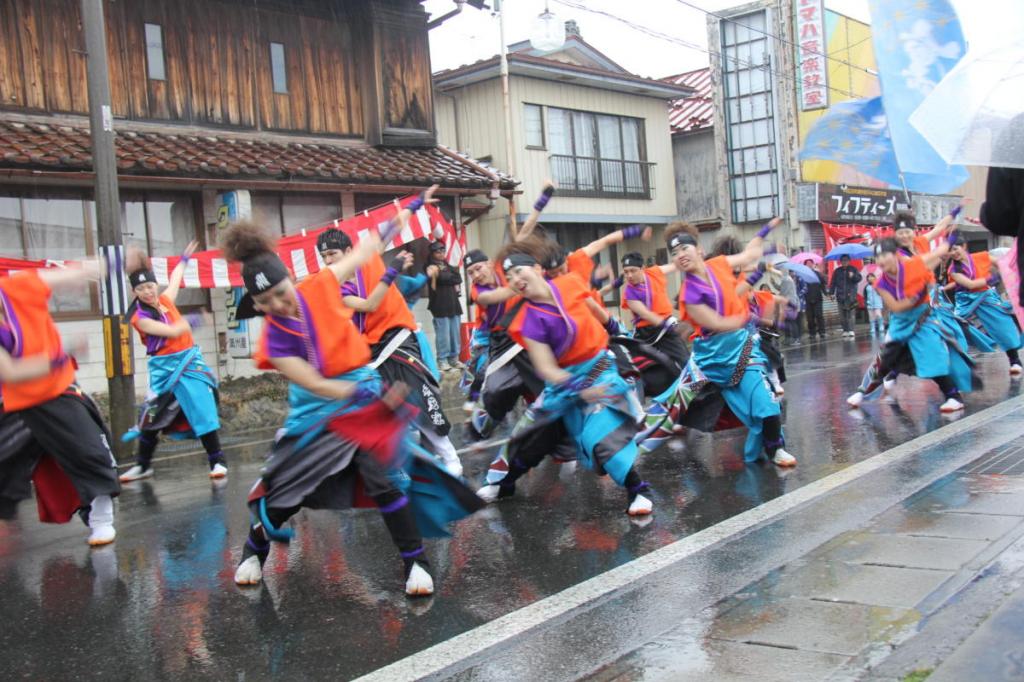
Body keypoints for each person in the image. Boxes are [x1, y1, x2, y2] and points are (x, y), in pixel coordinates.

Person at [221, 219, 480, 595]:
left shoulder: (321, 285)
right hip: (317, 410)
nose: (276, 305)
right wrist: (348, 394)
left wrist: (395, 224)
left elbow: (360, 253)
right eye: (264, 302)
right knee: (286, 488)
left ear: (289, 280)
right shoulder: (273, 337)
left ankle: (416, 563)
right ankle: (253, 551)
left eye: (280, 292)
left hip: (361, 393)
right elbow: (311, 382)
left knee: (384, 477)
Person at [476, 237, 652, 516]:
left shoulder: (570, 283)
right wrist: (576, 388)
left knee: (602, 436)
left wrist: (614, 327)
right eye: (509, 277)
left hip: (599, 374)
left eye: (520, 271)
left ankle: (638, 491)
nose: (516, 279)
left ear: (537, 268)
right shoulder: (529, 318)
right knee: (530, 440)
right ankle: (503, 484)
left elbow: (591, 304)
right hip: (563, 385)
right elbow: (546, 368)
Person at [316, 189, 462, 478]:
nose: (329, 261)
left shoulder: (366, 258)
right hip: (369, 355)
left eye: (332, 253)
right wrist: (391, 272)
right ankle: (395, 466)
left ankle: (450, 456)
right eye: (323, 256)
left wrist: (416, 204)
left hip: (398, 340)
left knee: (418, 400)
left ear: (348, 251)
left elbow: (389, 229)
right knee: (378, 413)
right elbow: (368, 304)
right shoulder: (336, 287)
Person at [0, 260, 120, 545]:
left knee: (87, 450)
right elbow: (13, 372)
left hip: (58, 391)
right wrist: (62, 352)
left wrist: (100, 266)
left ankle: (101, 519)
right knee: (9, 467)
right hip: (20, 404)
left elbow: (62, 277)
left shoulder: (18, 287)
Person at [668, 219, 797, 467]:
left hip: (742, 347)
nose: (680, 255)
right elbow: (716, 322)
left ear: (700, 251)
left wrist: (765, 231)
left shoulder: (720, 266)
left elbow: (749, 256)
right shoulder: (689, 291)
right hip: (710, 357)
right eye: (674, 253)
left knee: (767, 403)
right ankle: (638, 448)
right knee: (672, 402)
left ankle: (775, 449)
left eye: (684, 248)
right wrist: (756, 319)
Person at [120, 241, 227, 482]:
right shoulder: (139, 318)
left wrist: (184, 259)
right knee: (151, 418)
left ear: (155, 285)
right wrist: (197, 319)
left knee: (202, 409)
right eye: (142, 289)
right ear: (134, 292)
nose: (148, 292)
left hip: (189, 364)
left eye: (150, 286)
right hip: (164, 371)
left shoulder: (166, 300)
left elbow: (176, 278)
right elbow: (171, 331)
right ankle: (143, 465)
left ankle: (218, 461)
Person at [847, 237, 973, 412]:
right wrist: (914, 296)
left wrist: (950, 238)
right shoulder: (881, 283)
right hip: (900, 322)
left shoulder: (913, 265)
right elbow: (896, 307)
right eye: (877, 257)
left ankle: (953, 397)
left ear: (895, 255)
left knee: (932, 358)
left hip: (924, 318)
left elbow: (936, 256)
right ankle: (863, 392)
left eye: (884, 255)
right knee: (885, 358)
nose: (881, 260)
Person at [947, 237, 1023, 375]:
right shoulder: (953, 269)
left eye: (955, 248)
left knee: (1002, 325)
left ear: (963, 246)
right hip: (965, 301)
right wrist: (991, 278)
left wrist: (1010, 273)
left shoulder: (982, 256)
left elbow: (1002, 264)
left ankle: (1015, 361)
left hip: (985, 296)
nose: (953, 253)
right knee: (954, 327)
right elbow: (970, 284)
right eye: (950, 251)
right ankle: (956, 363)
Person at [427, 240, 463, 371]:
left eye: (443, 251)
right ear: (432, 253)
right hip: (439, 305)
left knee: (455, 334)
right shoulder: (429, 265)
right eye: (438, 251)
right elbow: (442, 278)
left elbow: (458, 278)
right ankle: (442, 360)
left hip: (454, 304)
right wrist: (448, 276)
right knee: (443, 335)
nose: (441, 253)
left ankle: (454, 359)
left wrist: (447, 276)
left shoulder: (447, 265)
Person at [829, 255, 861, 337]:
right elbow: (833, 283)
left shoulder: (853, 269)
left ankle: (851, 330)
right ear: (840, 262)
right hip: (840, 296)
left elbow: (859, 278)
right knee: (842, 315)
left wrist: (853, 276)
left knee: (850, 314)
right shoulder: (837, 271)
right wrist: (831, 293)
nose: (844, 262)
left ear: (849, 261)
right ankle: (845, 330)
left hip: (851, 296)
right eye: (843, 261)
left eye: (846, 260)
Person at [804, 259, 826, 340]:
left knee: (819, 315)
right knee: (810, 317)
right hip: (807, 299)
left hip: (818, 298)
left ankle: (822, 332)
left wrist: (826, 294)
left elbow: (823, 285)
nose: (809, 265)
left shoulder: (818, 274)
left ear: (814, 265)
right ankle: (812, 333)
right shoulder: (803, 276)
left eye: (811, 263)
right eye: (807, 264)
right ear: (805, 265)